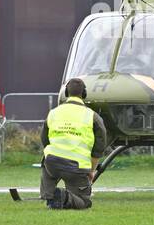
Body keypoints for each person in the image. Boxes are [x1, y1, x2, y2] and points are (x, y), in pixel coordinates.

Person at [40, 78, 108, 210]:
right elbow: (100, 145)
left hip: (51, 163)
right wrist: (92, 170)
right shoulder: (92, 116)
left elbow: (44, 139)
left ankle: (49, 195)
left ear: (66, 92)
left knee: (46, 157)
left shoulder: (53, 113)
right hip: (76, 167)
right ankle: (63, 197)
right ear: (84, 94)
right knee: (84, 202)